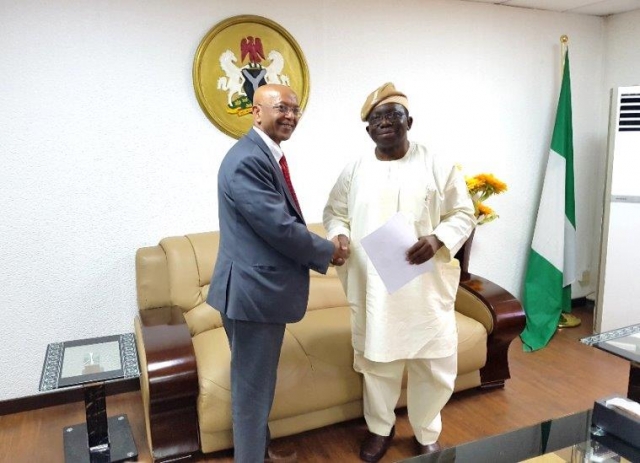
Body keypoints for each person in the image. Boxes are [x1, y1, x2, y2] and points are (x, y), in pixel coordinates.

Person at [323, 82, 475, 462]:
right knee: (378, 364)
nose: (385, 122)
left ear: (410, 121)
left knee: (433, 364)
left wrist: (439, 238)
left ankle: (426, 430)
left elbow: (465, 213)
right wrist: (338, 235)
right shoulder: (354, 169)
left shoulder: (438, 165)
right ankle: (379, 428)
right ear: (368, 129)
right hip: (375, 287)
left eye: (393, 115)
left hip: (425, 287)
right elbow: (334, 212)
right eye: (377, 118)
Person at [207, 83, 349, 463]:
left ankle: (259, 452)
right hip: (254, 295)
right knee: (252, 392)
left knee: (257, 385)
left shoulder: (263, 154)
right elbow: (279, 228)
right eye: (280, 107)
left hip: (255, 292)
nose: (289, 115)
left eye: (295, 108)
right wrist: (328, 250)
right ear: (256, 112)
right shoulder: (247, 160)